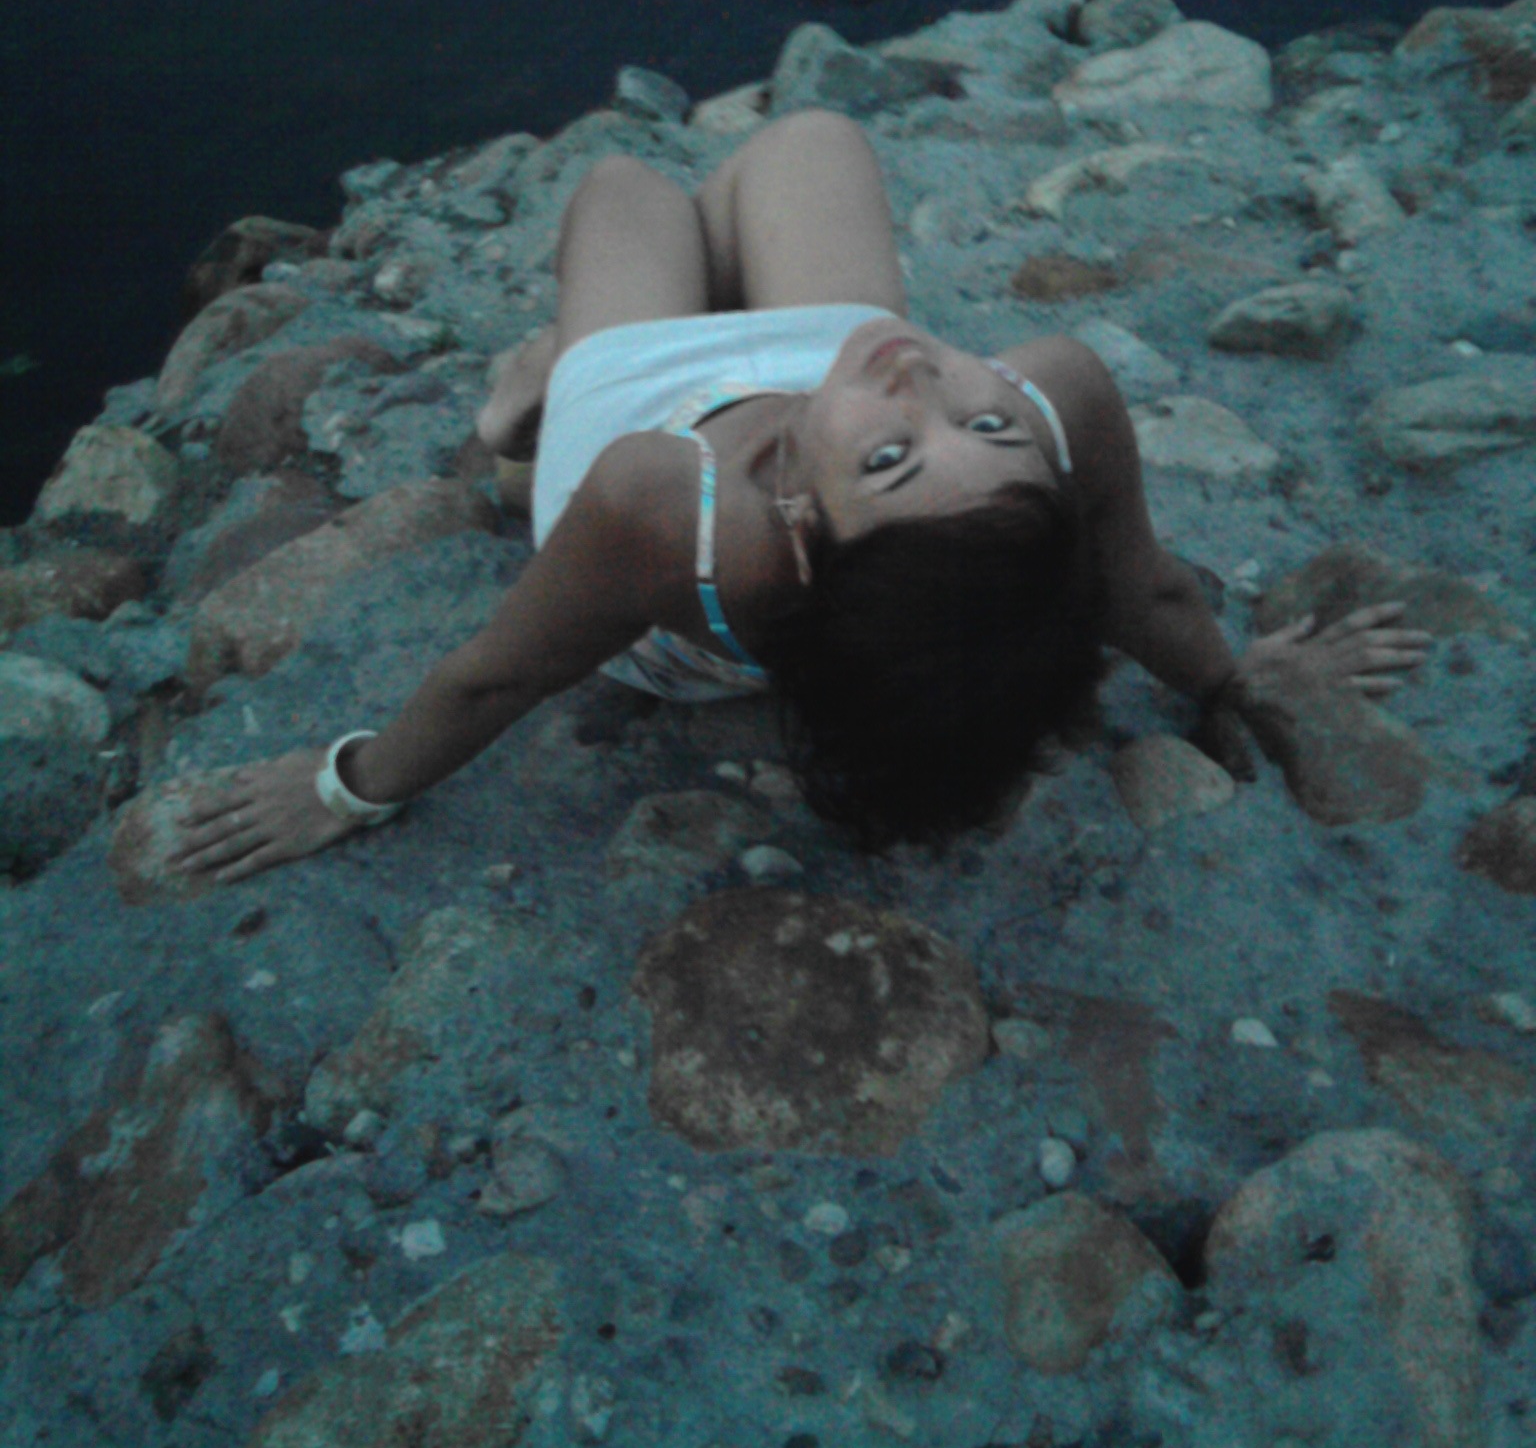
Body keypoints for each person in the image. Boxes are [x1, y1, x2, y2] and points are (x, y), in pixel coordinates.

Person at [169, 110, 1429, 885]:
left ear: (809, 527)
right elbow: (1133, 582)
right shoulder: (1048, 398)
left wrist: (346, 785)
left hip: (653, 419)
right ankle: (704, 309)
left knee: (622, 186)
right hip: (809, 387)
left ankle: (529, 411)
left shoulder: (671, 510)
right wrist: (1233, 679)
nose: (926, 380)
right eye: (983, 425)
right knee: (811, 139)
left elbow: (495, 676)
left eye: (896, 459)